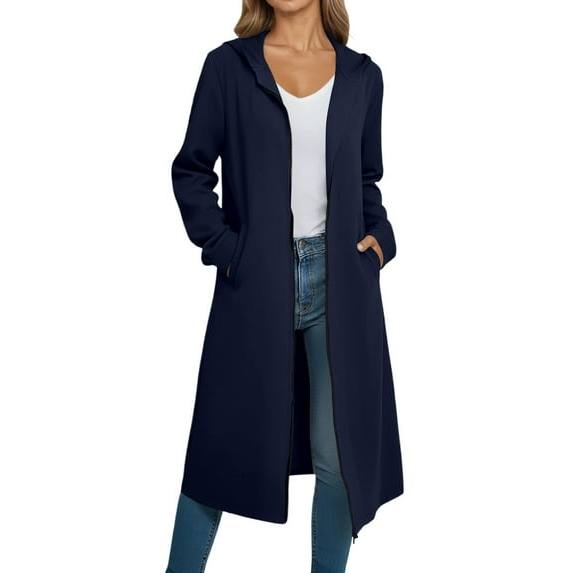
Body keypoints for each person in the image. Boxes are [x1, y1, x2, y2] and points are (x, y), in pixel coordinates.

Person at [165, 1, 403, 572]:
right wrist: (228, 251)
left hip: (342, 285)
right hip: (255, 282)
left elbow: (366, 178)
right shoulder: (228, 67)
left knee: (339, 457)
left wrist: (380, 237)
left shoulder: (362, 76)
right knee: (217, 451)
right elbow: (191, 170)